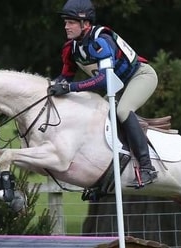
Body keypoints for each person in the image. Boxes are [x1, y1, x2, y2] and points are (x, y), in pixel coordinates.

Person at [47, 0, 158, 189]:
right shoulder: (71, 48)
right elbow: (65, 78)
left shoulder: (101, 41)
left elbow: (104, 80)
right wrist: (48, 89)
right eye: (66, 22)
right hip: (119, 85)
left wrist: (70, 88)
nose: (66, 26)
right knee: (98, 118)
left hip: (140, 76)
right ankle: (105, 176)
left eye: (71, 22)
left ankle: (148, 168)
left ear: (86, 24)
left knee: (122, 111)